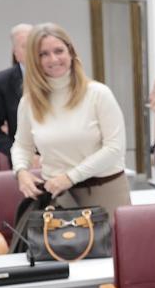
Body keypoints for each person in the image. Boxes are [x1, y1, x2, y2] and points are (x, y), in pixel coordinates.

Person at [11, 23, 129, 218]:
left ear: (71, 53)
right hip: (59, 198)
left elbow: (114, 148)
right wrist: (21, 172)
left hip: (104, 192)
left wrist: (70, 177)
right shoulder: (29, 102)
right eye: (44, 54)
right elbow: (22, 145)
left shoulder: (98, 94)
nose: (53, 59)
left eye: (59, 51)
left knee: (112, 249)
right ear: (35, 60)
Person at [0, 23, 32, 162]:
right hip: (25, 165)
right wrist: (18, 153)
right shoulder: (1, 82)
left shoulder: (57, 76)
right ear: (16, 53)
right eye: (26, 46)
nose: (33, 50)